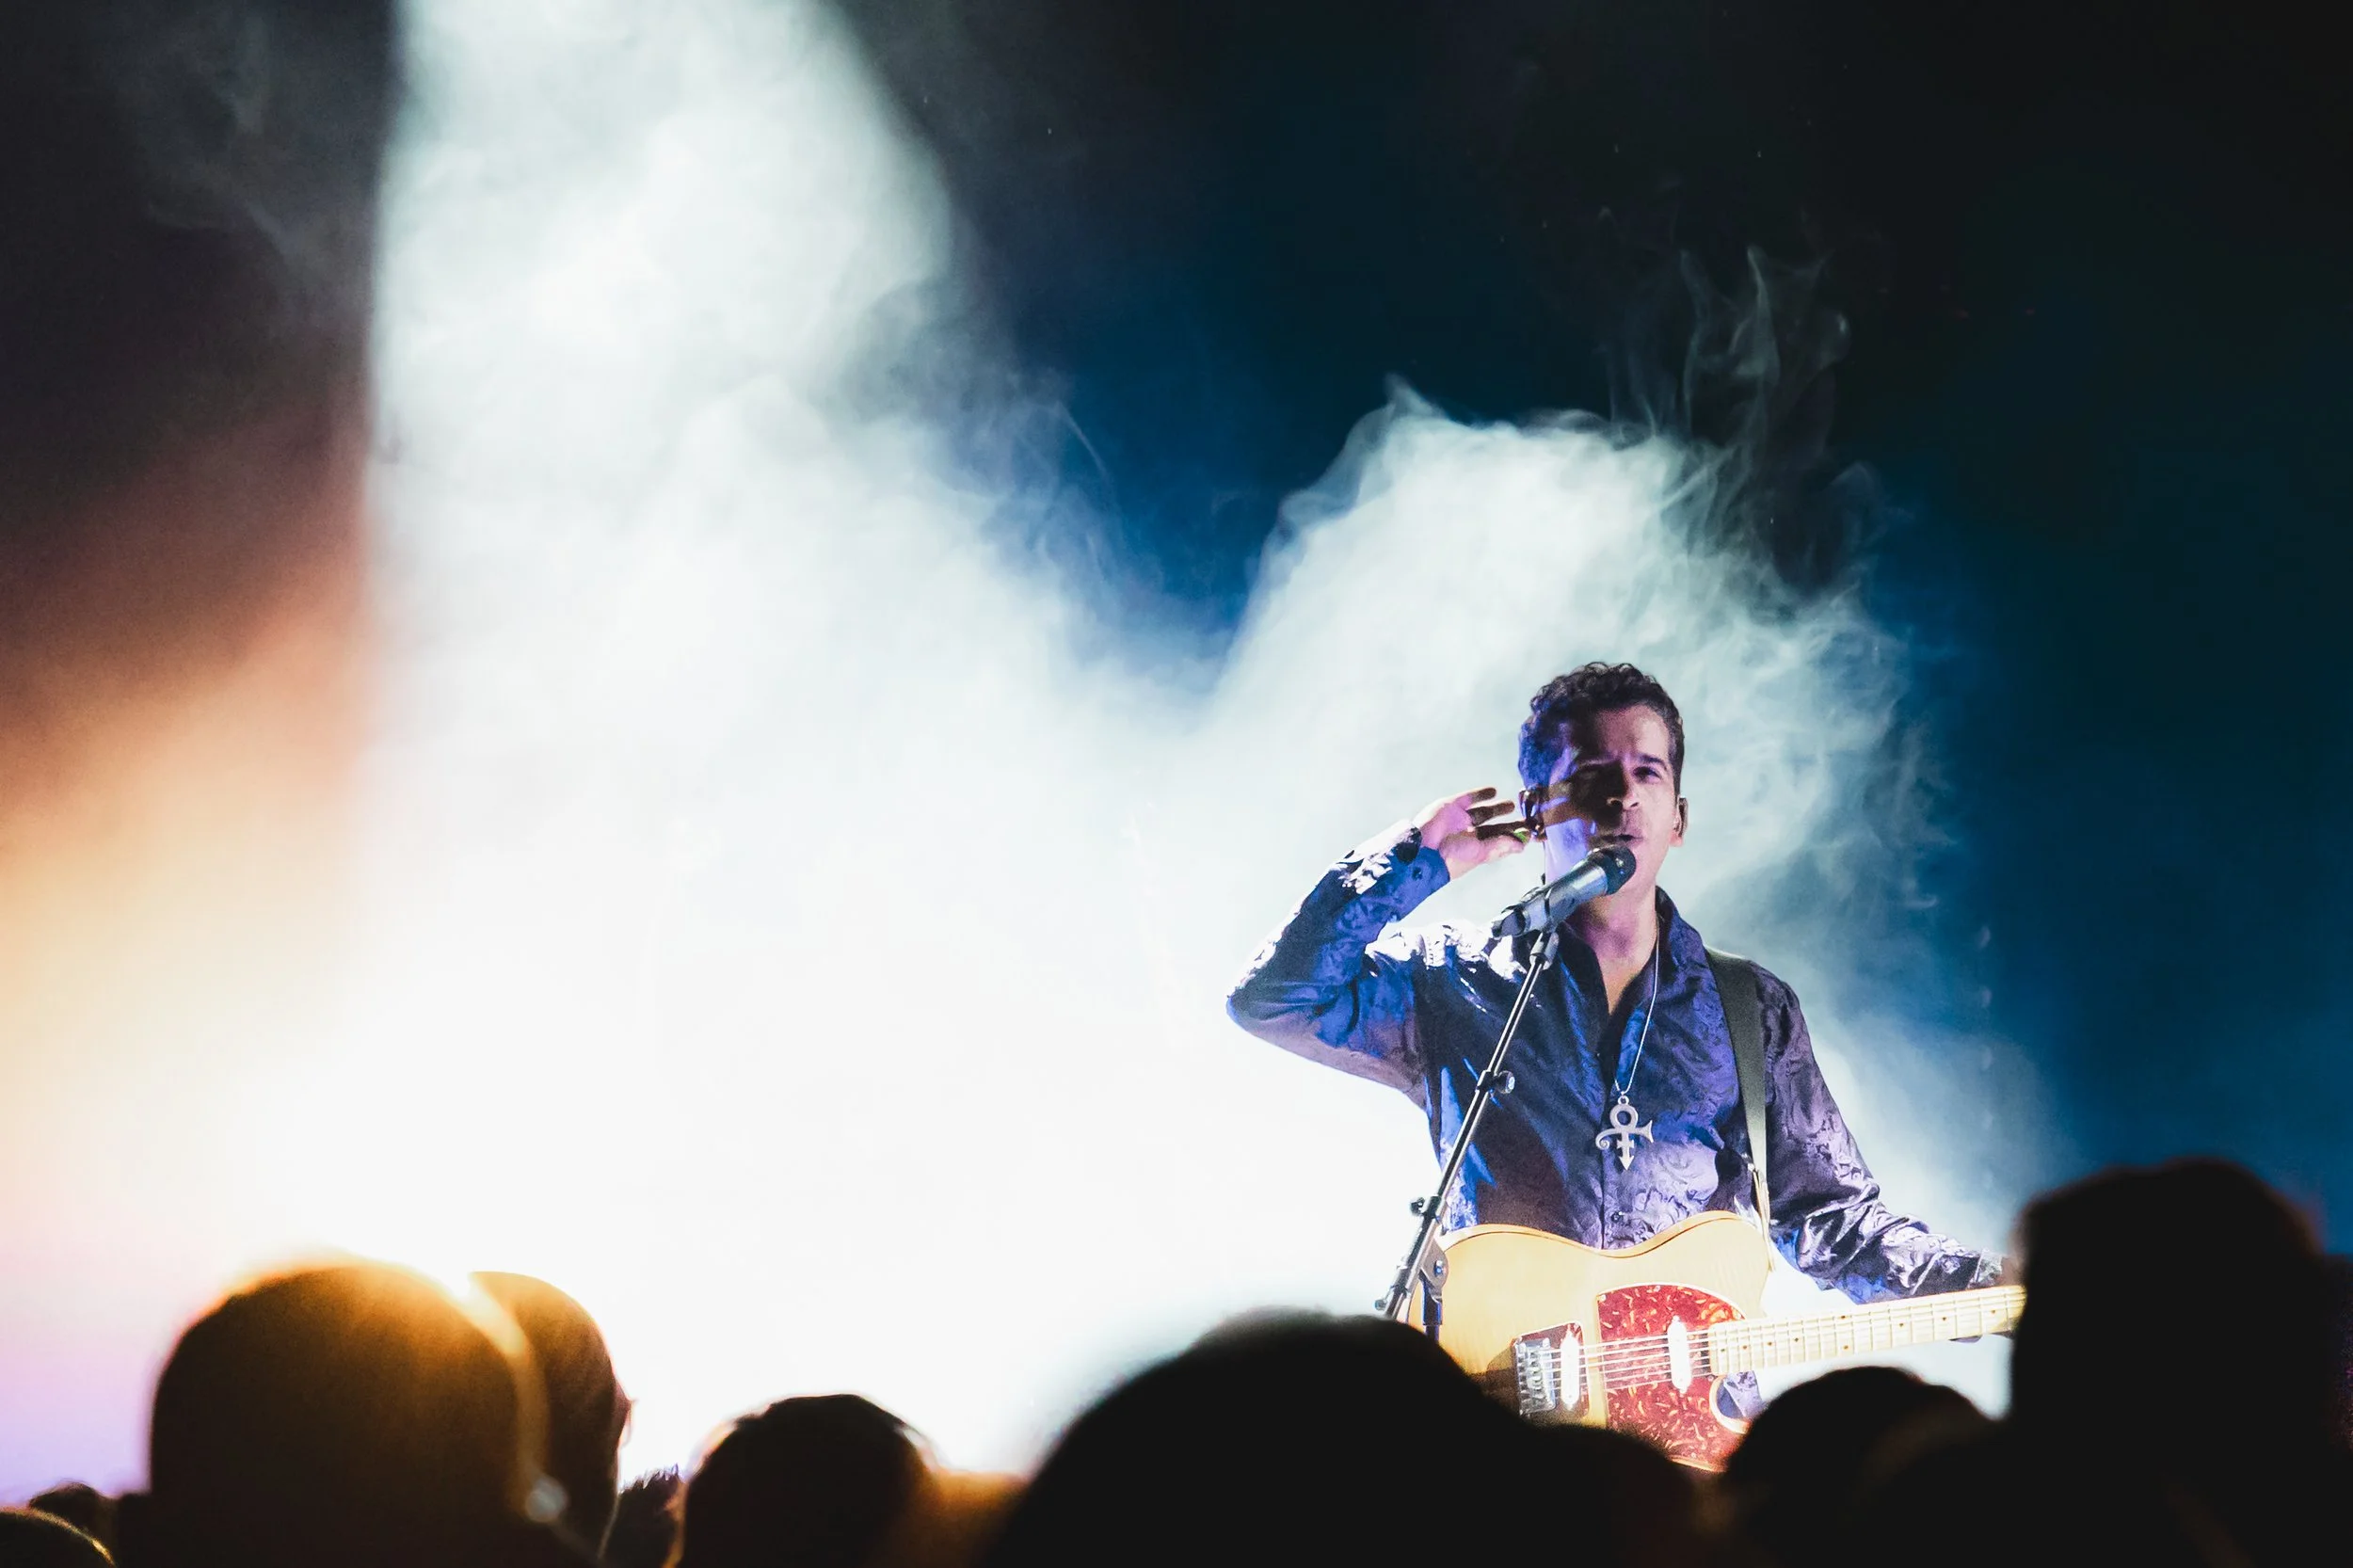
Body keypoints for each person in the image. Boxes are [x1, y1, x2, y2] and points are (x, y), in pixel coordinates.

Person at [1226, 662, 1999, 1418]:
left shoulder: (1749, 1007)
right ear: (1535, 813)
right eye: (1592, 773)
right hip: (1504, 1435)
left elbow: (1834, 1218)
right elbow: (1273, 999)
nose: (1622, 794)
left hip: (1689, 1451)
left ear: (1680, 818)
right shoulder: (1450, 980)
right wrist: (1415, 862)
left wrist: (1993, 1286)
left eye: (1646, 771)